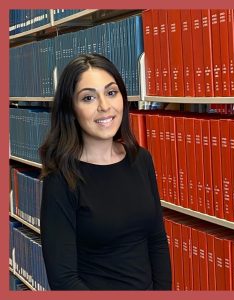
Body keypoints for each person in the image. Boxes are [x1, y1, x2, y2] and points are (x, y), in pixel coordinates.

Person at [39, 53, 172, 291]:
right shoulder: (61, 177)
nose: (104, 106)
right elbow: (63, 279)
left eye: (111, 93)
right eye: (88, 97)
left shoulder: (141, 160)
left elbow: (156, 240)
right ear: (71, 108)